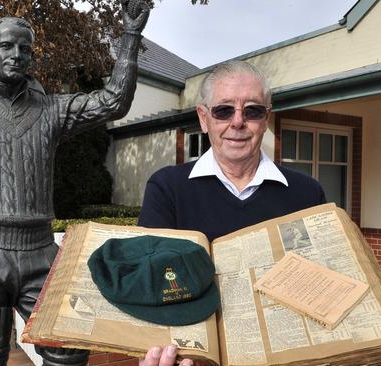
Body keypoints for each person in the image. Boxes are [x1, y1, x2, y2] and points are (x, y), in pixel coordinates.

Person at [0, 7, 149, 366]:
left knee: (68, 352)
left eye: (25, 49)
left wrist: (130, 34)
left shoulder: (52, 110)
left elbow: (113, 102)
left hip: (41, 253)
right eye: (6, 46)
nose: (16, 55)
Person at [137, 60, 326, 366]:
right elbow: (151, 287)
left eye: (252, 110)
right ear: (203, 118)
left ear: (266, 118)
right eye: (224, 110)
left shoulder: (307, 193)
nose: (237, 122)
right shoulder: (167, 188)